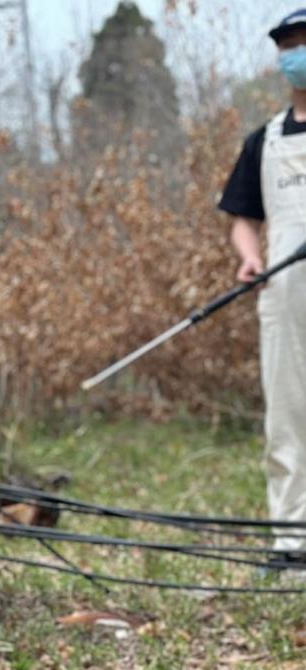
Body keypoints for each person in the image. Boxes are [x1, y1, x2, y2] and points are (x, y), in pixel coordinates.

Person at [220, 10, 306, 562]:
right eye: (288, 45)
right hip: (286, 299)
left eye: (304, 43)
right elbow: (243, 217)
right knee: (289, 419)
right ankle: (293, 541)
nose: (296, 54)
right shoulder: (264, 141)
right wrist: (250, 258)